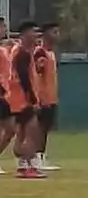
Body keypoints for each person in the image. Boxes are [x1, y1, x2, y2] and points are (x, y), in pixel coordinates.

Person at [3, 22, 43, 178]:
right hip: (22, 99)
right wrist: (32, 98)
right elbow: (24, 77)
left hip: (15, 99)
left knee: (21, 133)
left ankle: (22, 165)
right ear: (25, 34)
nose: (36, 35)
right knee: (32, 132)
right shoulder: (22, 53)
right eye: (34, 32)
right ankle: (29, 166)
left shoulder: (19, 51)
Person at [32, 22, 60, 171]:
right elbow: (37, 73)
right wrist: (40, 97)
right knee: (40, 128)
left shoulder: (51, 52)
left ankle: (41, 156)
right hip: (43, 98)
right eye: (54, 32)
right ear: (46, 34)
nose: (57, 35)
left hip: (51, 96)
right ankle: (36, 157)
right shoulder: (40, 52)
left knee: (46, 128)